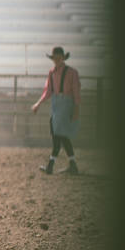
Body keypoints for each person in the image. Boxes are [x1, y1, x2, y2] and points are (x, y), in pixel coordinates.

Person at [31, 46, 81, 175]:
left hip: (66, 104)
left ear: (63, 58)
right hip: (56, 104)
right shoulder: (51, 72)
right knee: (60, 134)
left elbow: (76, 92)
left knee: (58, 133)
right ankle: (72, 164)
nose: (57, 60)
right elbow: (48, 91)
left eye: (59, 58)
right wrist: (38, 103)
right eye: (55, 58)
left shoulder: (72, 72)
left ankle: (51, 166)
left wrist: (76, 108)